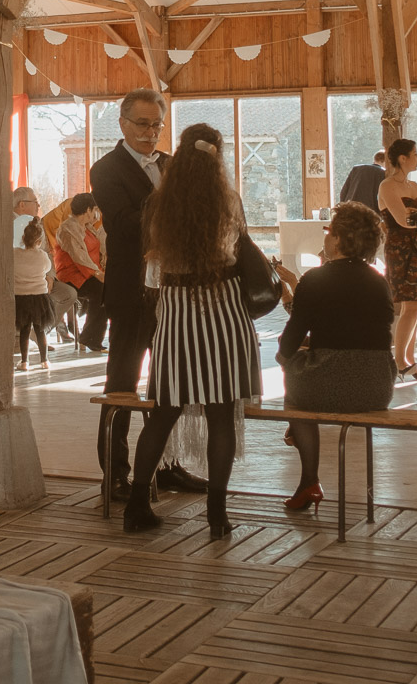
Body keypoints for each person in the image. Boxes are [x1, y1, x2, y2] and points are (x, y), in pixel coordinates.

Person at [121, 124, 261, 540]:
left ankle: (136, 505)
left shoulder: (158, 205)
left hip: (177, 314)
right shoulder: (229, 202)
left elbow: (152, 270)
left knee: (163, 414)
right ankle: (217, 515)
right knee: (221, 416)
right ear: (217, 160)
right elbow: (239, 253)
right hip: (223, 311)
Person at [93, 88, 192, 501]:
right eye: (143, 124)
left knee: (170, 384)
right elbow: (123, 223)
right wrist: (173, 207)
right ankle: (115, 473)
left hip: (173, 290)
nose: (151, 133)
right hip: (131, 292)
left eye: (158, 126)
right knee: (123, 382)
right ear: (122, 124)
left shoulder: (170, 164)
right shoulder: (106, 169)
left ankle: (164, 466)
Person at [278, 201, 395, 515]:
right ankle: (298, 433)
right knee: (304, 367)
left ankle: (309, 479)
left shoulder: (315, 280)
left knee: (294, 389)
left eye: (329, 230)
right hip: (377, 385)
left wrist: (288, 356)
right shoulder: (379, 281)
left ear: (341, 239)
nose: (325, 236)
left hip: (327, 383)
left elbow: (288, 342)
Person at [376, 137, 417, 382]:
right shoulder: (387, 186)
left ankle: (408, 359)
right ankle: (400, 360)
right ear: (402, 158)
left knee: (416, 303)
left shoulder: (414, 186)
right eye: (414, 154)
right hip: (400, 248)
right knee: (410, 303)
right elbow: (402, 220)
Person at [53, 193, 107, 351]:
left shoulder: (88, 227)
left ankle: (89, 337)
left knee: (106, 291)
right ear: (88, 210)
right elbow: (79, 256)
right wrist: (97, 273)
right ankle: (90, 338)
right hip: (71, 275)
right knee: (102, 291)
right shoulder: (68, 228)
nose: (96, 213)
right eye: (95, 209)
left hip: (87, 272)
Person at [13, 218, 54, 373]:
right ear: (40, 240)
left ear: (24, 238)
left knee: (24, 329)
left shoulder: (15, 254)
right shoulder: (43, 256)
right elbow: (47, 269)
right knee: (40, 329)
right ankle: (45, 361)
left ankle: (24, 361)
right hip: (39, 297)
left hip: (21, 297)